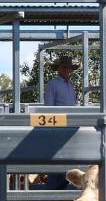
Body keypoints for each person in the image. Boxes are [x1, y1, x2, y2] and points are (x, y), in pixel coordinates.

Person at [34, 54, 81, 190]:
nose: (67, 70)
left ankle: (64, 185)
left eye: (69, 68)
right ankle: (55, 189)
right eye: (64, 67)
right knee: (57, 156)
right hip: (59, 127)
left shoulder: (70, 85)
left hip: (70, 128)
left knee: (68, 157)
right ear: (59, 69)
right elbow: (48, 108)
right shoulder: (53, 84)